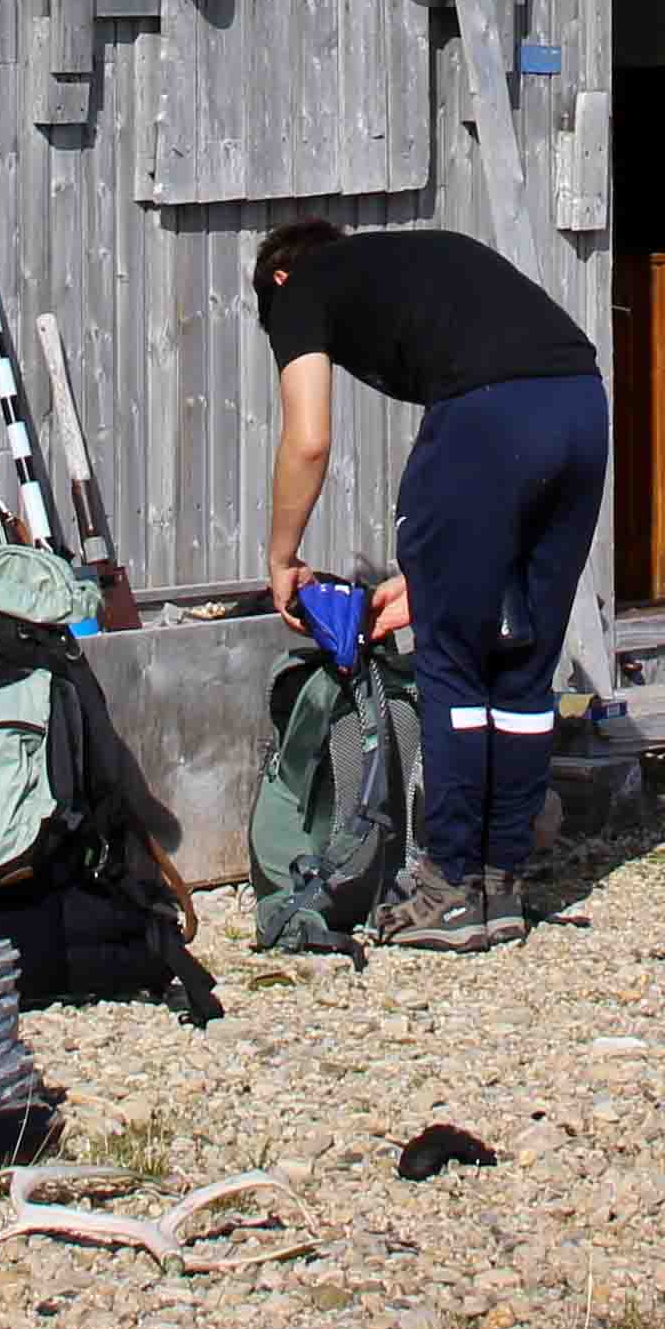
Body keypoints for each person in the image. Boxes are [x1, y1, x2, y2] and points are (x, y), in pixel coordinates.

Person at [253, 220, 607, 953]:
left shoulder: (299, 286)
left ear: (279, 279)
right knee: (522, 660)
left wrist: (283, 556)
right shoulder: (416, 261)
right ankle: (501, 885)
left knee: (453, 662)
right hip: (580, 407)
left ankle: (447, 885)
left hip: (490, 417)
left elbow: (309, 437)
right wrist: (431, 576)